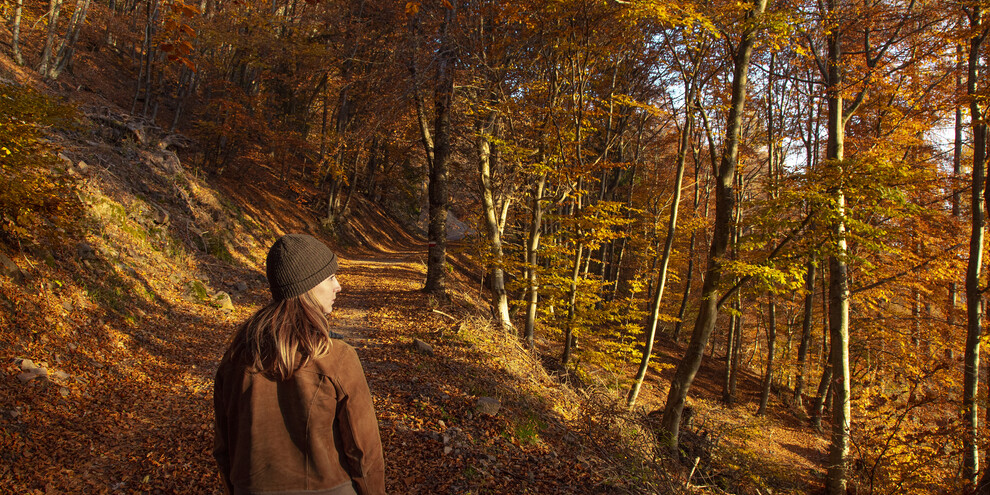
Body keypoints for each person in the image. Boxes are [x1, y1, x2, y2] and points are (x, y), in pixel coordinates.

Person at [213, 233, 385, 495]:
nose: (338, 286)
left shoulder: (236, 357)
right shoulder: (337, 357)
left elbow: (225, 447)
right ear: (307, 287)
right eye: (329, 278)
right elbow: (363, 450)